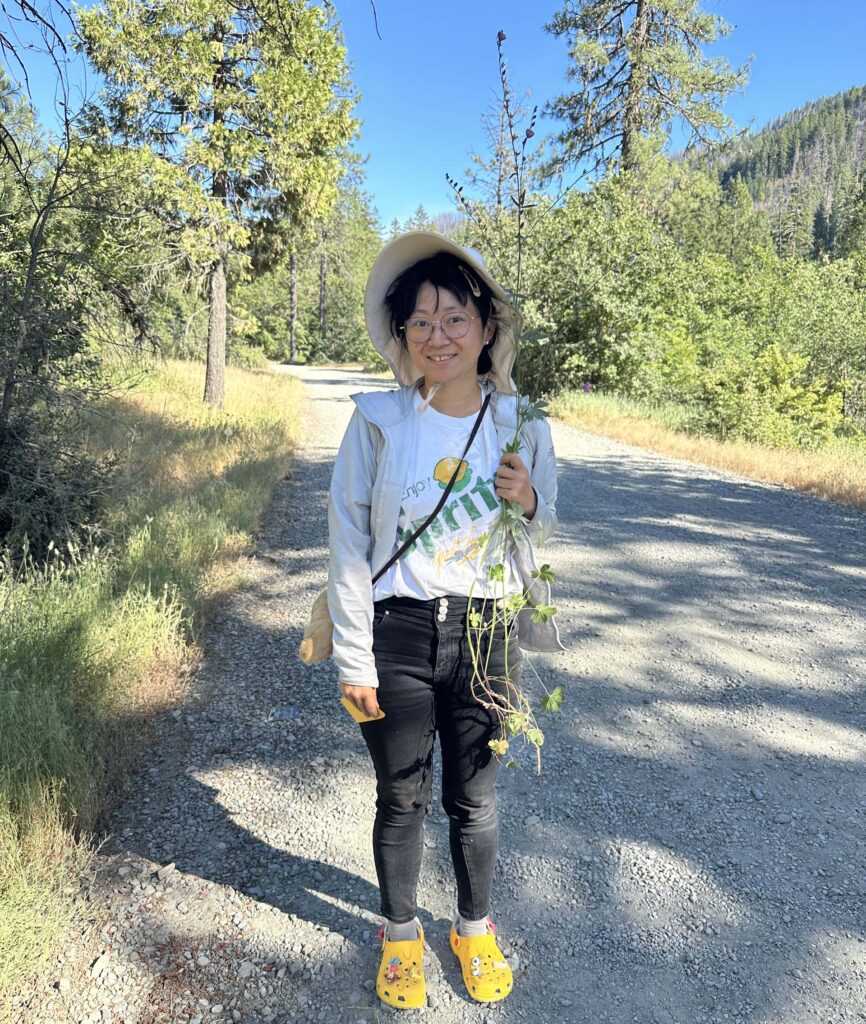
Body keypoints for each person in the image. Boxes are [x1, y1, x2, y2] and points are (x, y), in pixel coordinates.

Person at [327, 231, 561, 1010]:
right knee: (400, 797)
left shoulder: (521, 425)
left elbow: (541, 529)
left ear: (487, 327)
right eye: (421, 322)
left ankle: (472, 924)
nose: (439, 336)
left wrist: (527, 502)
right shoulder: (376, 422)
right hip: (394, 633)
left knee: (477, 799)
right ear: (402, 337)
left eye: (455, 318)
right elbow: (348, 544)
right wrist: (353, 661)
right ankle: (400, 935)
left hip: (490, 634)